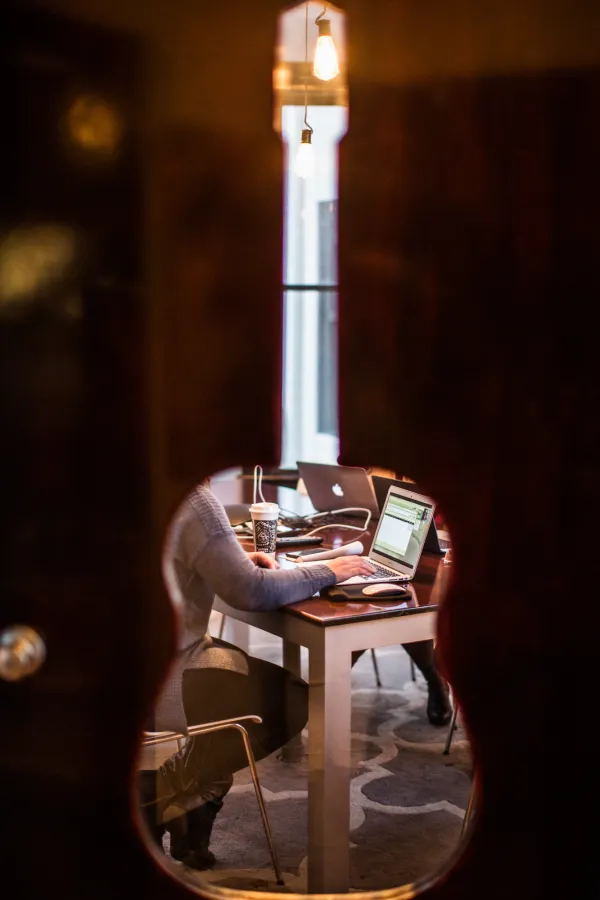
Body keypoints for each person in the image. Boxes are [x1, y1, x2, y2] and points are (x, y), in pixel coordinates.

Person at [138, 480, 377, 870]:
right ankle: (156, 798)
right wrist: (329, 570)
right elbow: (250, 593)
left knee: (236, 670)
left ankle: (187, 813)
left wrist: (233, 556)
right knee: (289, 700)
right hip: (162, 679)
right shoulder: (192, 499)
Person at [362, 467, 452, 728]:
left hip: (448, 549)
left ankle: (435, 680)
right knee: (382, 597)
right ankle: (434, 678)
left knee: (403, 600)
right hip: (413, 544)